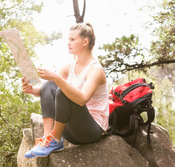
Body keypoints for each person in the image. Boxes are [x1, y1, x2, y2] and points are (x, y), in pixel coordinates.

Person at [21, 22, 109, 158]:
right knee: (48, 85)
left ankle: (54, 140)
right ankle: (47, 139)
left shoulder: (95, 70)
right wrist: (32, 90)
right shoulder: (69, 66)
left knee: (62, 90)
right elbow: (47, 92)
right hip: (71, 130)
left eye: (72, 39)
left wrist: (57, 77)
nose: (68, 43)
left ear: (85, 42)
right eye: (68, 39)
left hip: (90, 130)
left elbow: (81, 99)